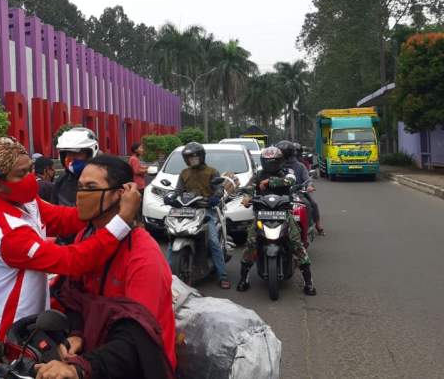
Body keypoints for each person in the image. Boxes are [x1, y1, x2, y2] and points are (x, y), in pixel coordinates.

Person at [0, 138, 140, 348]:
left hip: (31, 324)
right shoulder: (8, 234)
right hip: (4, 336)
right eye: (22, 174)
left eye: (31, 170)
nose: (31, 178)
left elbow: (61, 219)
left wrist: (101, 205)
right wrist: (121, 221)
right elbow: (73, 261)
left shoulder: (24, 200)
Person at [35, 156, 177, 379]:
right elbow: (76, 297)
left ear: (121, 193)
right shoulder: (86, 236)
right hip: (96, 359)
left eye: (91, 188)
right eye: (80, 187)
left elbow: (136, 340)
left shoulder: (143, 256)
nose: (80, 196)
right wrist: (77, 333)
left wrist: (79, 368)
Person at [237, 146, 317, 296]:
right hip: (262, 214)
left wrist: (270, 182)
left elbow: (289, 181)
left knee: (296, 243)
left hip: (283, 214)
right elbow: (249, 188)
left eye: (274, 162)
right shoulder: (258, 175)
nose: (271, 165)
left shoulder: (287, 173)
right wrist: (246, 197)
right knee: (251, 242)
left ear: (280, 161)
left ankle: (308, 282)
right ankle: (244, 278)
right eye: (268, 162)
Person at [165, 142, 230, 289]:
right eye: (189, 158)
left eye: (195, 157)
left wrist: (215, 197)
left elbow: (219, 189)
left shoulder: (212, 172)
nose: (192, 160)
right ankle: (167, 275)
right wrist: (171, 197)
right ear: (186, 159)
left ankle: (222, 275)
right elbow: (178, 191)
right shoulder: (184, 173)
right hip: (186, 209)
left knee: (213, 241)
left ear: (201, 156)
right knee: (172, 237)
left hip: (206, 209)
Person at [53, 127, 100, 207]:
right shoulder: (62, 180)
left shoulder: (105, 178)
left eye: (76, 153)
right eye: (68, 153)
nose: (71, 157)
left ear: (89, 154)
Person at [294, 142, 324, 236]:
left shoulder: (302, 164)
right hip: (283, 193)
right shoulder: (280, 166)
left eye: (295, 153)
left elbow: (307, 178)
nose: (293, 156)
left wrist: (309, 185)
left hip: (299, 191)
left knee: (312, 204)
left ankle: (317, 227)